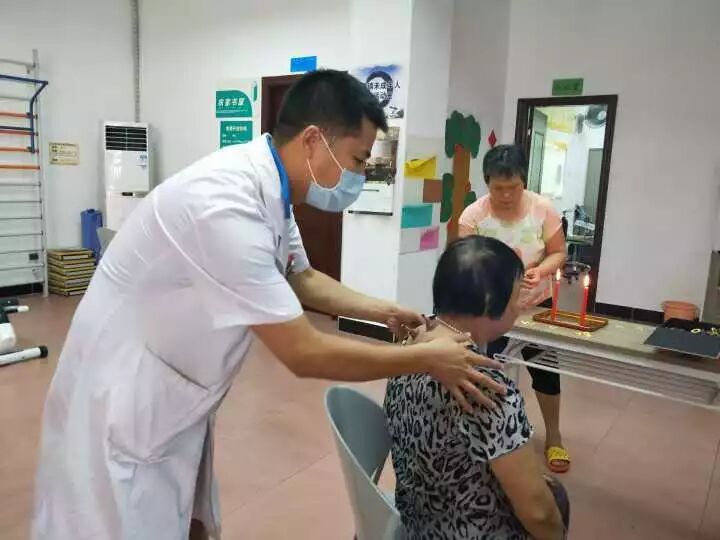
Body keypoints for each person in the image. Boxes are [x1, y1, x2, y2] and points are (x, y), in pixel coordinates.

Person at [31, 70, 505, 540]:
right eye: (358, 160)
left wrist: (384, 311)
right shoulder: (225, 205)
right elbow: (304, 352)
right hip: (121, 399)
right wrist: (424, 358)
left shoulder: (274, 194)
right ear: (314, 140)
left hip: (171, 394)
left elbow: (301, 278)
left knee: (180, 516)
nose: (359, 176)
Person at [385, 236, 569, 540]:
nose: (519, 306)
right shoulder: (485, 386)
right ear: (488, 301)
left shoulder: (408, 349)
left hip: (417, 522)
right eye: (516, 295)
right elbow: (538, 513)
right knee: (554, 501)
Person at [459, 144, 569, 473]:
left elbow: (558, 252)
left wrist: (542, 270)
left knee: (546, 370)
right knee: (484, 369)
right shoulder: (473, 216)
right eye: (498, 188)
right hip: (492, 309)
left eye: (514, 187)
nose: (506, 195)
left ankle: (554, 436)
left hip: (535, 305)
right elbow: (464, 261)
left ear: (524, 181)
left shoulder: (543, 209)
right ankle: (484, 434)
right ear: (487, 183)